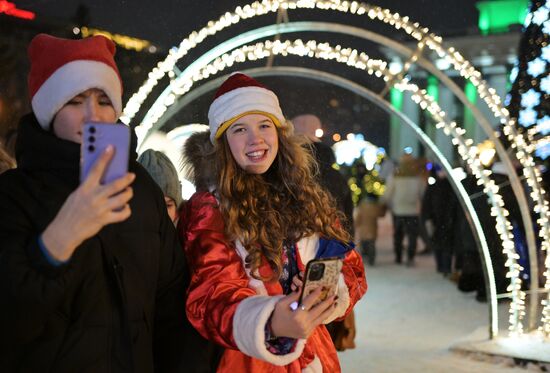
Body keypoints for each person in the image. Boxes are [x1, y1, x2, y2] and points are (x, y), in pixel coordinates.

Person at [0, 34, 193, 372]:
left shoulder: (141, 189)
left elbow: (173, 307)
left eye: (104, 100)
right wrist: (57, 242)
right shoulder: (15, 194)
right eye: (75, 101)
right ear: (49, 112)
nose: (94, 115)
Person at [178, 73, 367, 372]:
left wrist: (325, 289)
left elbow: (350, 265)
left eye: (264, 125)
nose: (256, 138)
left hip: (314, 356)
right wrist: (271, 320)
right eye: (240, 129)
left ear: (279, 133)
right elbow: (212, 295)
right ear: (223, 142)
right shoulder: (210, 208)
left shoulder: (306, 196)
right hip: (250, 362)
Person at [382, 154, 425, 266]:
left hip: (398, 210)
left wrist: (385, 202)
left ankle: (398, 256)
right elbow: (422, 193)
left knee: (398, 234)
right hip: (413, 211)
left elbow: (388, 193)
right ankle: (410, 256)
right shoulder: (417, 177)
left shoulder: (395, 176)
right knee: (412, 235)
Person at [137, 149, 183, 225]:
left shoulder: (190, 233)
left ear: (177, 208)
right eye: (152, 206)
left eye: (168, 206)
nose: (161, 215)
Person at [354, 194, 386, 266]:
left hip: (363, 229)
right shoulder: (375, 206)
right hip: (372, 228)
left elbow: (358, 217)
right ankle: (371, 258)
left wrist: (356, 224)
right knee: (371, 244)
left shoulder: (362, 206)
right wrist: (384, 207)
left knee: (364, 243)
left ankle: (364, 256)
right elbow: (382, 214)